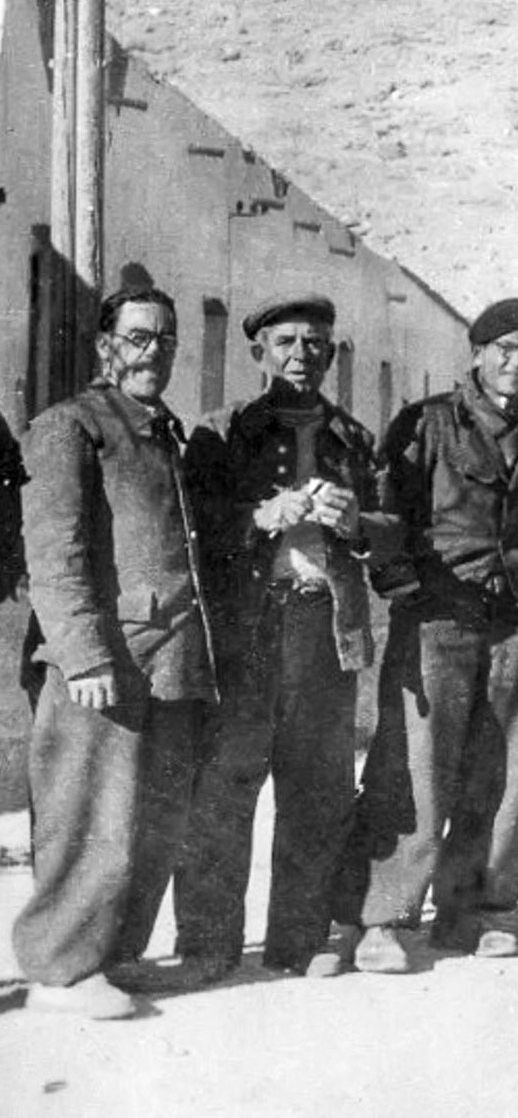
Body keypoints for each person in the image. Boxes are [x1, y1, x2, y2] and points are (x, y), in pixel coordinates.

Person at [175, 295, 398, 980]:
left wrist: (358, 522)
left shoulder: (355, 438)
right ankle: (209, 946)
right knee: (226, 784)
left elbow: (392, 532)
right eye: (287, 343)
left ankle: (298, 942)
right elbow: (194, 526)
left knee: (317, 785)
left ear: (332, 356)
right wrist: (260, 515)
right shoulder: (222, 432)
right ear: (259, 353)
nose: (302, 355)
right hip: (245, 627)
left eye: (316, 345)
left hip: (321, 626)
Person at [335, 298, 518, 972]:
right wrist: (405, 587)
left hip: (515, 619)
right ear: (478, 352)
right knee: (414, 768)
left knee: (501, 771)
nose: (517, 363)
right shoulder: (426, 423)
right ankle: (383, 918)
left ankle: (475, 911)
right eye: (506, 349)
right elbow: (384, 511)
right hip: (439, 617)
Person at [12, 285, 218, 1018]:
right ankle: (61, 970)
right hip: (102, 663)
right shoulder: (70, 426)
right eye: (136, 338)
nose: (152, 351)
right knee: (86, 818)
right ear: (106, 346)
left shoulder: (163, 430)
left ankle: (110, 956)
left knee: (146, 824)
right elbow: (55, 551)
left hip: (169, 660)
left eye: (164, 338)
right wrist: (84, 656)